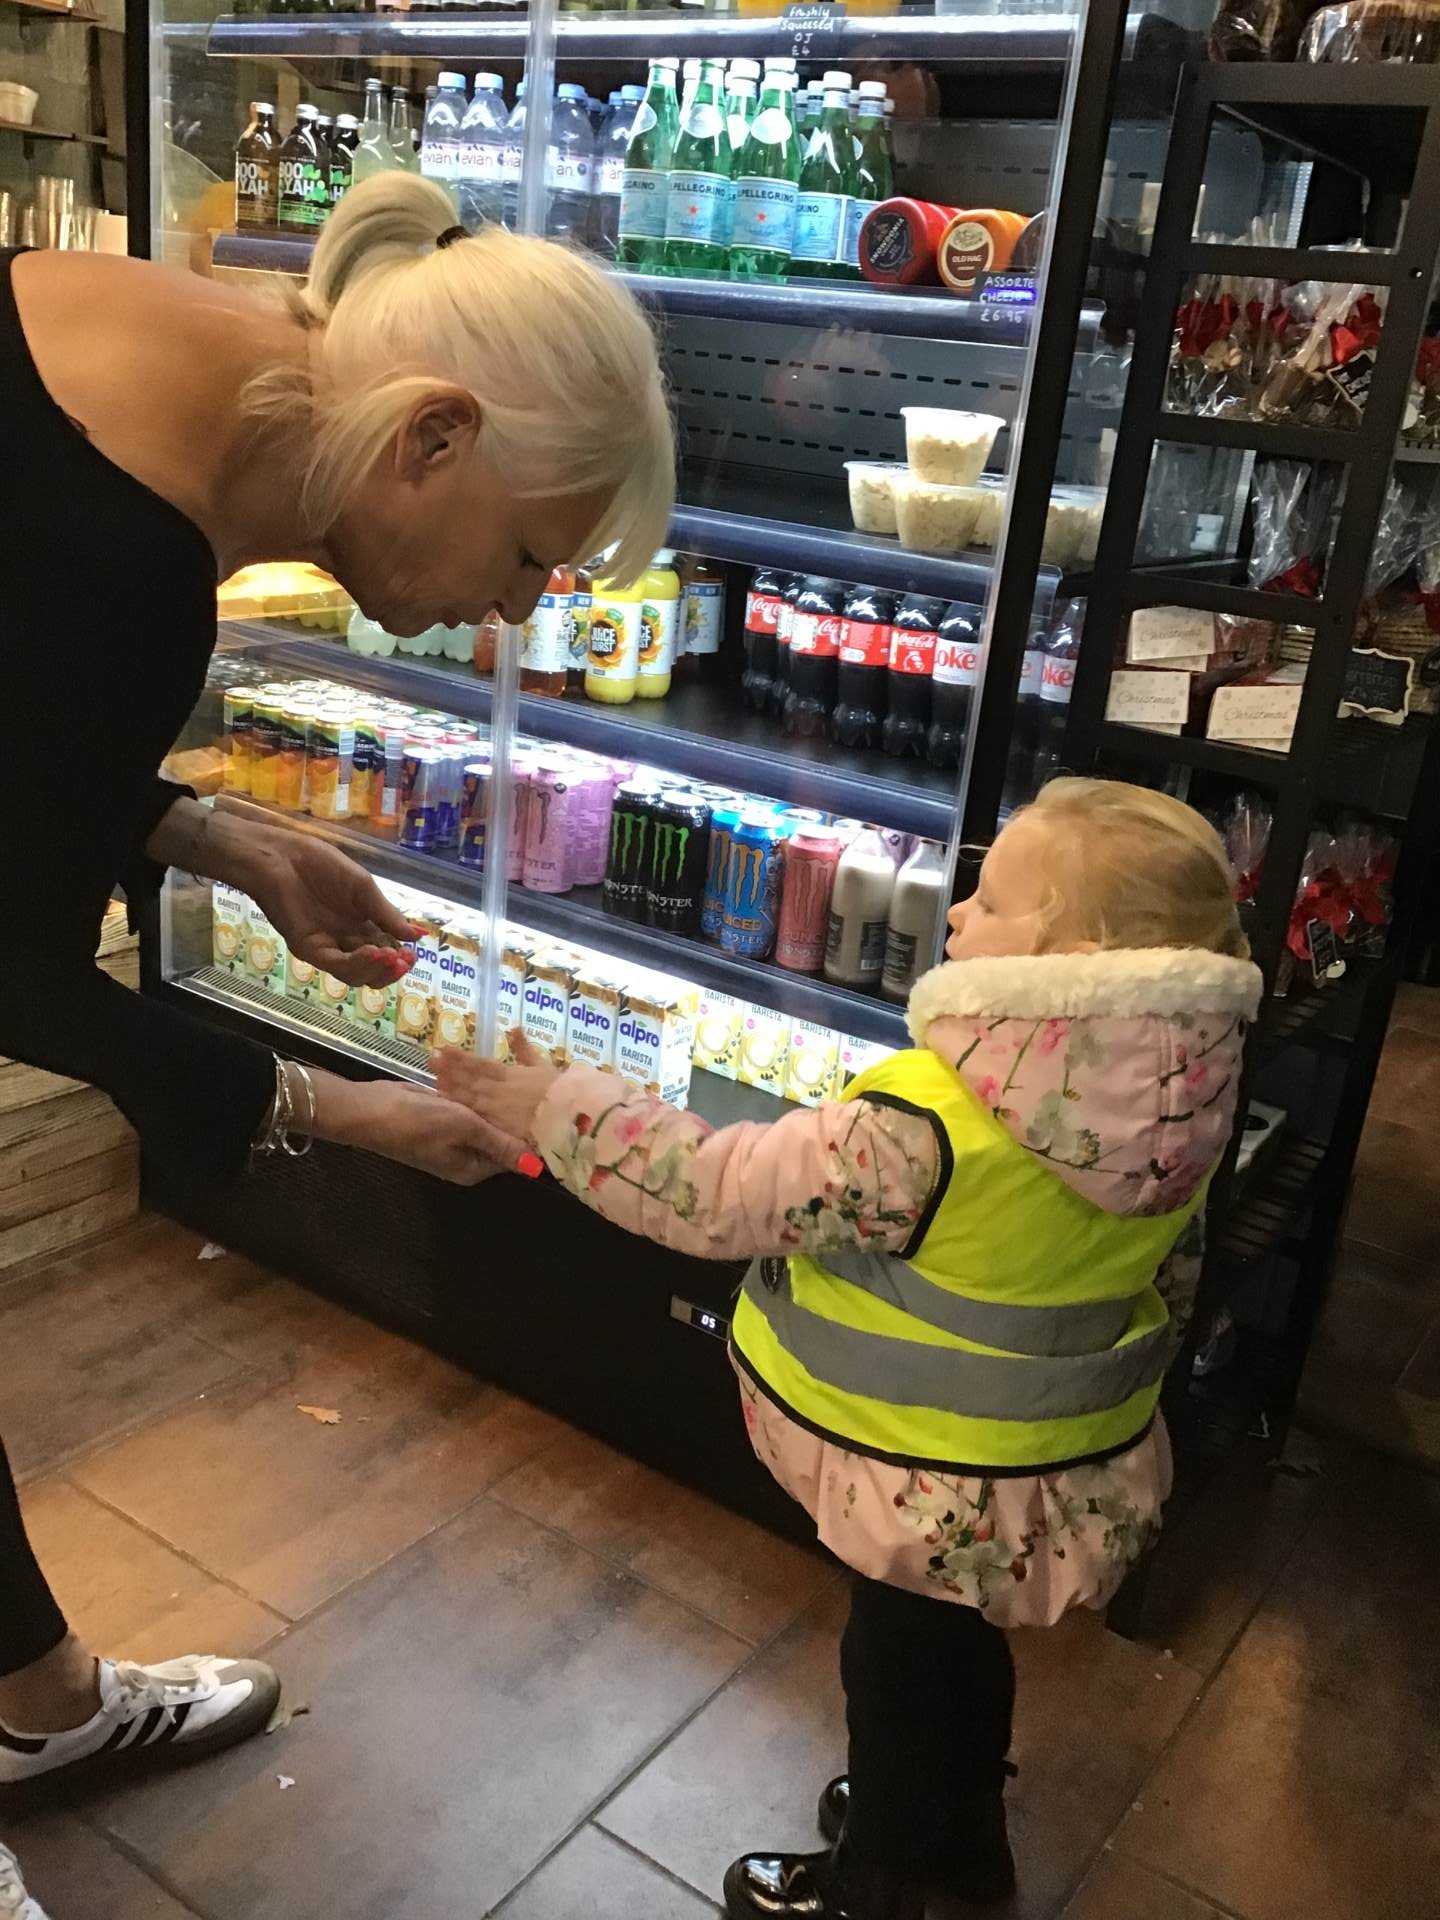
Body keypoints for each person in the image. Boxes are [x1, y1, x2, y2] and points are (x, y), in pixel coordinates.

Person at [0, 170, 672, 1909]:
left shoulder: (115, 334)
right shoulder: (137, 564)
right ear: (434, 436)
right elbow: (7, 968)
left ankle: (36, 1710)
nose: (519, 615)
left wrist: (218, 837)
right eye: (530, 558)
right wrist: (343, 1112)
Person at [437, 777, 1261, 1920]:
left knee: (894, 1672)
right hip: (1045, 1470)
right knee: (959, 1652)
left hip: (916, 1471)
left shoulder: (930, 1123)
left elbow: (715, 1193)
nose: (956, 913)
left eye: (990, 902)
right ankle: (961, 1839)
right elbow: (1172, 1280)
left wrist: (558, 1106)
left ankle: (880, 1878)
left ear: (1071, 961)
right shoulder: (1178, 1115)